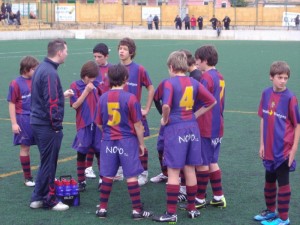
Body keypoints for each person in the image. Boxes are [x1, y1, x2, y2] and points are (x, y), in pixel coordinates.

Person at [152, 51, 216, 223]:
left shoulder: (169, 83)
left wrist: (165, 120)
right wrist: (195, 115)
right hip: (192, 129)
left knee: (173, 171)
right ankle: (192, 208)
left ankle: (171, 213)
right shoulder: (194, 82)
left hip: (176, 129)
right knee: (189, 169)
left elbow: (165, 105)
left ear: (171, 67)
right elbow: (212, 101)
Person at [95, 64, 153, 220]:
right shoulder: (130, 98)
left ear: (108, 79)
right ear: (126, 79)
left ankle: (102, 209)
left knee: (107, 175)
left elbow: (99, 123)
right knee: (131, 176)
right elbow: (138, 125)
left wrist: (107, 133)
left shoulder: (103, 98)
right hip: (127, 141)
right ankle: (136, 210)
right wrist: (141, 144)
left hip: (108, 140)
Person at [253, 61, 300, 225]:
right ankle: (271, 211)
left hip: (283, 150)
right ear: (271, 77)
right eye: (280, 77)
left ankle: (284, 218)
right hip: (269, 148)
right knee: (269, 180)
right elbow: (263, 120)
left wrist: (293, 150)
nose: (283, 81)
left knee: (283, 182)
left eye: (286, 78)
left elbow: (297, 125)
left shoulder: (290, 98)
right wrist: (262, 144)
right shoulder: (266, 93)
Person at [182, 45, 226, 211]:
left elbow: (199, 100)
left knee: (201, 163)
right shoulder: (220, 76)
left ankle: (200, 198)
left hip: (206, 125)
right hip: (218, 124)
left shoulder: (206, 78)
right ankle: (218, 196)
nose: (196, 63)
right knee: (212, 161)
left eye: (198, 60)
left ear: (205, 61)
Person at [29, 38, 71, 211]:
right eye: (66, 51)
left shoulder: (42, 68)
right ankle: (49, 200)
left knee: (46, 161)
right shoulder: (50, 72)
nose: (67, 54)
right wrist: (56, 125)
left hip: (39, 122)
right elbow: (51, 102)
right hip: (46, 125)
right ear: (60, 52)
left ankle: (37, 197)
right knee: (49, 163)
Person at [118, 37, 155, 186]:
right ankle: (120, 170)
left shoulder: (139, 69)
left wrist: (146, 108)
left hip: (135, 114)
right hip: (119, 114)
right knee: (119, 142)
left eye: (125, 49)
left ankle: (143, 173)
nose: (121, 51)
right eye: (120, 48)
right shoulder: (115, 69)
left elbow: (151, 88)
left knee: (140, 143)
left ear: (131, 52)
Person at [69, 61, 102, 192]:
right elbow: (75, 105)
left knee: (99, 152)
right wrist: (86, 91)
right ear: (86, 75)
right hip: (83, 124)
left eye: (95, 77)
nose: (93, 80)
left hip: (97, 124)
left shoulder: (97, 85)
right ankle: (82, 181)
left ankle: (102, 179)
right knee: (81, 152)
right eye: (91, 77)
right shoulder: (75, 86)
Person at [7, 56, 39, 187]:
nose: (36, 71)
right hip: (23, 119)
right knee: (25, 147)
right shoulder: (15, 83)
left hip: (38, 118)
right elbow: (11, 103)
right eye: (34, 69)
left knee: (44, 146)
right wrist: (14, 123)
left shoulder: (36, 80)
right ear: (26, 69)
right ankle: (28, 177)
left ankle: (45, 175)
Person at [84, 43, 111, 182]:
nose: (96, 59)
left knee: (103, 138)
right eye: (94, 56)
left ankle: (109, 168)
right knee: (91, 136)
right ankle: (88, 167)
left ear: (106, 56)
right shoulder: (91, 69)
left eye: (99, 57)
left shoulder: (111, 69)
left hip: (107, 108)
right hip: (92, 108)